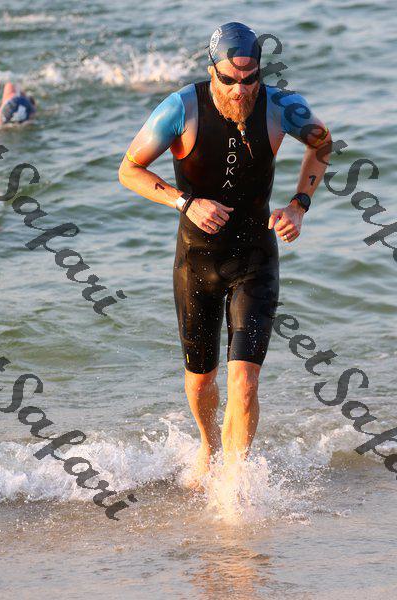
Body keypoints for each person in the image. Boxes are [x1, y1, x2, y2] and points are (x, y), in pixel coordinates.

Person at [118, 22, 332, 491]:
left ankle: (234, 489)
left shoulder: (281, 107)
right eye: (230, 79)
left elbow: (323, 143)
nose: (241, 90)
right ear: (212, 69)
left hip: (256, 257)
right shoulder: (181, 108)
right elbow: (129, 169)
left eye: (250, 79)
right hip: (197, 260)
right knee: (201, 381)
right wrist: (185, 203)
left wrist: (299, 205)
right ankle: (208, 446)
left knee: (245, 381)